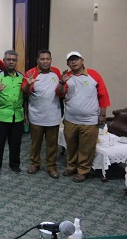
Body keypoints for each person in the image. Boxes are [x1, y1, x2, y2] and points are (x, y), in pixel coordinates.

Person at [56, 51, 110, 183]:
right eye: (70, 60)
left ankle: (83, 170)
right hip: (70, 120)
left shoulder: (94, 75)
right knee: (72, 146)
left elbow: (103, 95)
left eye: (76, 59)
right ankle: (71, 166)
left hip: (90, 120)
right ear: (67, 63)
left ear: (82, 61)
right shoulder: (66, 77)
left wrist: (102, 115)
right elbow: (60, 94)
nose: (74, 62)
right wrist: (62, 83)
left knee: (86, 148)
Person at [21, 50, 62, 178]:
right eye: (42, 59)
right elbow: (24, 92)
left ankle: (51, 166)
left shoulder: (56, 72)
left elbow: (61, 92)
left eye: (47, 59)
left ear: (51, 60)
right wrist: (28, 85)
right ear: (37, 60)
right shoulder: (30, 73)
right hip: (36, 115)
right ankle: (35, 163)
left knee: (52, 143)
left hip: (53, 115)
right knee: (35, 143)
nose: (45, 61)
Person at [0, 50, 25, 175]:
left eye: (13, 60)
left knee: (16, 143)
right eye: (8, 59)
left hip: (17, 116)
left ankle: (15, 165)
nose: (11, 62)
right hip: (1, 115)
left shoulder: (21, 77)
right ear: (4, 61)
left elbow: (25, 97)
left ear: (16, 62)